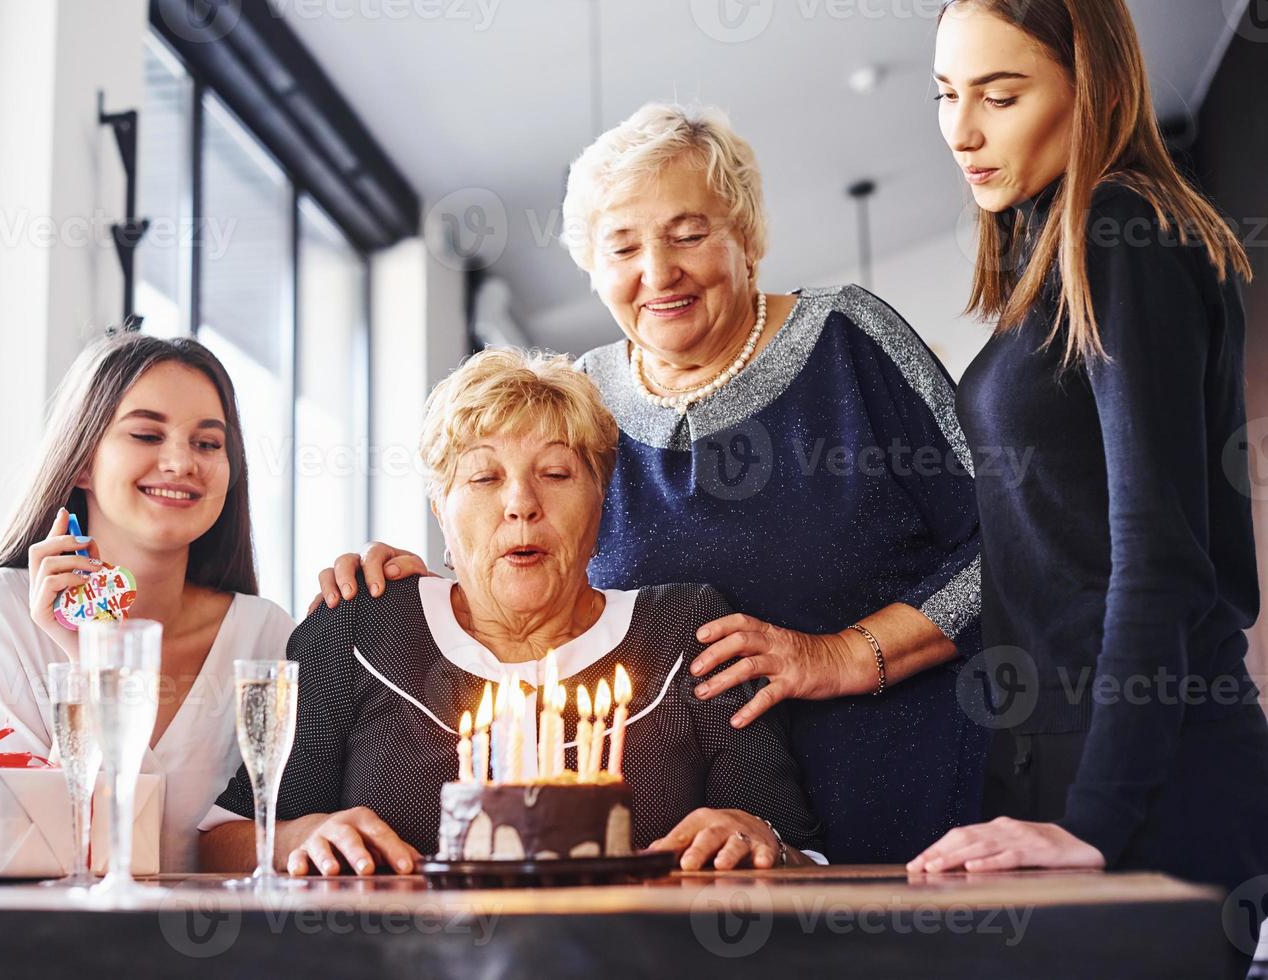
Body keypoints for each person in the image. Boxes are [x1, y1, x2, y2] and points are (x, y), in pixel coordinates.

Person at [312, 104, 986, 863]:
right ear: (593, 269)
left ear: (749, 238)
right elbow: (537, 562)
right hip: (709, 833)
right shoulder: (588, 399)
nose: (658, 272)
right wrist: (420, 581)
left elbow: (1001, 540)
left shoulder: (848, 341)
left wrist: (842, 655)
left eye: (689, 234)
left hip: (899, 772)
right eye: (623, 245)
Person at [199, 349, 825, 875]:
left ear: (600, 500)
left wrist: (758, 836)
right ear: (440, 510)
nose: (522, 503)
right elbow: (217, 843)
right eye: (483, 478)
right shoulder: (358, 627)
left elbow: (798, 851)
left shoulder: (688, 632)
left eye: (555, 472)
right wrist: (291, 839)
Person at [910, 0, 1268, 910]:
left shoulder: (1124, 234)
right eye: (947, 93)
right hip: (1069, 768)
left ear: (1091, 86)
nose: (961, 130)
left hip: (1149, 783)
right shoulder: (1051, 255)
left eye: (1000, 94)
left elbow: (1159, 556)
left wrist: (1094, 819)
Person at [0, 334, 293, 873]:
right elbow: (39, 847)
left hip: (227, 949)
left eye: (207, 444)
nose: (180, 462)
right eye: (147, 434)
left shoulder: (266, 635)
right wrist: (88, 660)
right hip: (52, 945)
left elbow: (277, 835)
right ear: (81, 463)